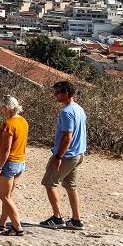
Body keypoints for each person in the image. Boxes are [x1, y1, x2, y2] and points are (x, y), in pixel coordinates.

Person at [40, 80, 87, 230]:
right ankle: (76, 220)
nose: (55, 95)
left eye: (57, 92)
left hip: (67, 155)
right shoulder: (79, 109)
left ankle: (57, 217)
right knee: (70, 186)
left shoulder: (66, 112)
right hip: (78, 154)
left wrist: (58, 157)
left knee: (49, 183)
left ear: (66, 93)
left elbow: (68, 137)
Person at [0, 95, 28, 235]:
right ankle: (2, 223)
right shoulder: (23, 121)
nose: (0, 110)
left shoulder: (9, 124)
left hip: (9, 164)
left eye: (1, 107)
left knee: (4, 196)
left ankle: (17, 227)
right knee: (9, 196)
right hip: (20, 162)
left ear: (6, 108)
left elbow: (6, 149)